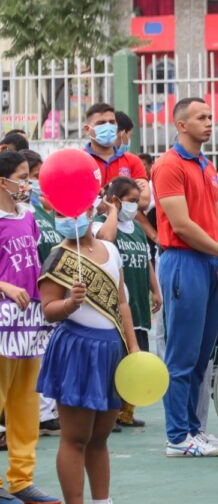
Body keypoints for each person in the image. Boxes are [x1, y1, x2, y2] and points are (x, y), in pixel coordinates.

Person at [152, 97, 218, 457]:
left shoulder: (207, 165)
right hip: (183, 262)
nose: (209, 123)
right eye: (200, 118)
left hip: (209, 264)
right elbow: (182, 225)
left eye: (210, 117)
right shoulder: (168, 165)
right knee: (182, 355)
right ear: (181, 125)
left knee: (203, 354)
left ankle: (193, 429)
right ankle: (177, 436)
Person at [37, 202, 139, 504]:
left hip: (110, 349)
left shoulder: (111, 249)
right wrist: (70, 303)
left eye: (74, 210)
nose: (69, 218)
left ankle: (101, 500)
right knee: (76, 437)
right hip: (76, 349)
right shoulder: (59, 257)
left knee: (100, 438)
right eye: (60, 214)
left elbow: (121, 303)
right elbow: (48, 310)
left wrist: (132, 347)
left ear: (90, 209)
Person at [0, 152, 60, 504]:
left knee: (25, 403)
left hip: (30, 321)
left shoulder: (28, 216)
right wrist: (4, 286)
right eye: (23, 176)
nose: (28, 183)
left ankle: (22, 479)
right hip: (3, 321)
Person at [93, 177, 162, 427]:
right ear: (115, 200)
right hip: (115, 307)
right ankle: (109, 411)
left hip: (138, 307)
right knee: (116, 360)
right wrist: (111, 213)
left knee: (136, 354)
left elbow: (146, 261)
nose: (135, 207)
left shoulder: (138, 231)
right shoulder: (102, 224)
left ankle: (126, 410)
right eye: (131, 201)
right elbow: (105, 240)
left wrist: (156, 290)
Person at [22, 149, 64, 438]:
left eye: (34, 178)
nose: (32, 184)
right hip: (22, 297)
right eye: (28, 178)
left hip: (45, 293)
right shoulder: (22, 214)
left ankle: (46, 412)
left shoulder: (43, 213)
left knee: (45, 353)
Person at [83, 103, 150, 209]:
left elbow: (144, 201)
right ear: (87, 130)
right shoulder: (79, 161)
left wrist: (101, 195)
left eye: (112, 122)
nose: (108, 127)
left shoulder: (133, 161)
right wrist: (126, 196)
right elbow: (76, 199)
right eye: (101, 123)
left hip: (125, 226)